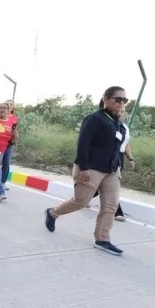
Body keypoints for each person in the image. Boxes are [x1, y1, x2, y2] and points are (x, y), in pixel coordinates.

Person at [44, 86, 128, 255]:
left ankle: (102, 239)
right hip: (92, 167)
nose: (121, 103)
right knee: (81, 201)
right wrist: (84, 167)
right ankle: (53, 213)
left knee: (111, 205)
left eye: (124, 100)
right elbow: (83, 144)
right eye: (117, 99)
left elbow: (118, 147)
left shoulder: (118, 123)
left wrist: (120, 165)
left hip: (111, 170)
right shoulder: (95, 118)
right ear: (105, 99)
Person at [0, 102, 18, 201]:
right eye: (0, 107)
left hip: (2, 148)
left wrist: (15, 136)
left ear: (8, 110)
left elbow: (13, 139)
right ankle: (0, 192)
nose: (2, 109)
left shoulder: (11, 122)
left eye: (5, 108)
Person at [115, 107, 135, 221]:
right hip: (111, 155)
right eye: (121, 112)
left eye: (124, 112)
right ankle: (117, 211)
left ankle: (84, 197)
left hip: (120, 156)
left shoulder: (125, 127)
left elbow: (126, 144)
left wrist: (131, 159)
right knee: (113, 184)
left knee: (106, 183)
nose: (124, 114)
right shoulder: (112, 125)